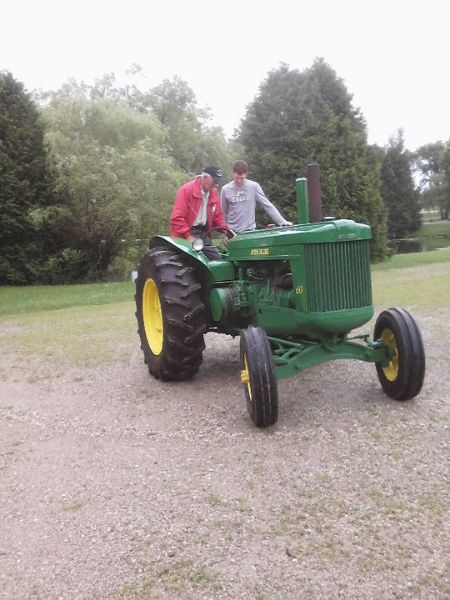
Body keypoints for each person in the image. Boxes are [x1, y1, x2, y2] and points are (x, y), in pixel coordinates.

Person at [170, 165, 229, 260]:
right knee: (191, 262)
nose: (216, 184)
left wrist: (225, 233)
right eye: (214, 181)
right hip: (186, 233)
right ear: (205, 177)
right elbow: (177, 218)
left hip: (203, 233)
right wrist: (188, 236)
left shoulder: (214, 193)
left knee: (217, 261)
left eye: (217, 182)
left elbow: (218, 217)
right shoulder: (186, 190)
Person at [220, 160, 292, 232]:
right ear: (233, 173)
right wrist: (225, 231)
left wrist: (282, 222)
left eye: (242, 178)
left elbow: (267, 205)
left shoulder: (253, 186)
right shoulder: (225, 189)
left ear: (246, 174)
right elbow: (223, 212)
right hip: (232, 232)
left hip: (250, 230)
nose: (239, 181)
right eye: (237, 178)